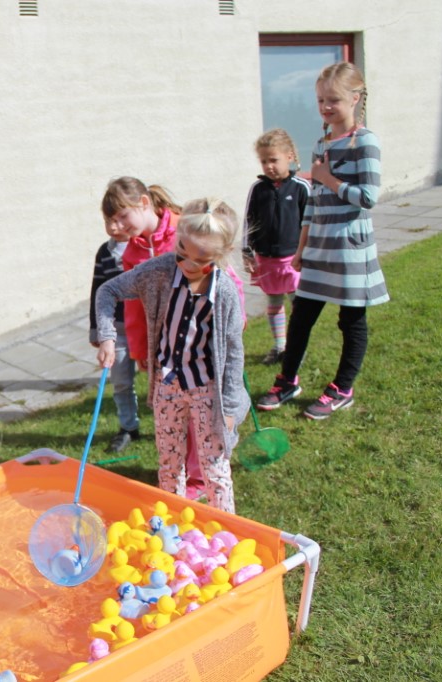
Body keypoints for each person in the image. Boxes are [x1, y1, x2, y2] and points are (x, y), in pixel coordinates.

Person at [95, 199, 249, 513]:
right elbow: (107, 292)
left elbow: (233, 355)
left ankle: (226, 530)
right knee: (168, 462)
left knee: (215, 466)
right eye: (182, 252)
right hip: (167, 385)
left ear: (221, 255)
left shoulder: (226, 293)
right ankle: (174, 521)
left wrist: (230, 408)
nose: (188, 264)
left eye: (201, 259)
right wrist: (108, 337)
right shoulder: (160, 271)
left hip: (206, 389)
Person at [257, 62, 388, 420]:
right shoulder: (321, 142)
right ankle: (287, 381)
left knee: (351, 320)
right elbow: (312, 203)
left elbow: (368, 197)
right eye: (320, 101)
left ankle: (342, 388)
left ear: (356, 98)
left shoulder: (366, 142)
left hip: (349, 246)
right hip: (318, 245)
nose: (326, 107)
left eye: (334, 100)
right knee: (302, 315)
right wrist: (301, 249)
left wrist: (328, 179)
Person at [243, 129, 311, 366]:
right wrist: (247, 252)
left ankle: (296, 348)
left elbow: (310, 222)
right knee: (273, 304)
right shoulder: (257, 189)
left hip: (293, 259)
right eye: (264, 161)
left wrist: (306, 253)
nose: (269, 166)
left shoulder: (301, 187)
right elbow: (248, 221)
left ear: (289, 156)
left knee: (298, 306)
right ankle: (279, 345)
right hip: (266, 259)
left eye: (274, 160)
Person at [88, 179, 140, 454]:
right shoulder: (105, 253)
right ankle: (128, 426)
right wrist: (97, 329)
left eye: (119, 220)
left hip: (144, 327)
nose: (113, 227)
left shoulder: (143, 246)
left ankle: (168, 427)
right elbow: (98, 291)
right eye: (108, 220)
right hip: (117, 330)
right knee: (121, 381)